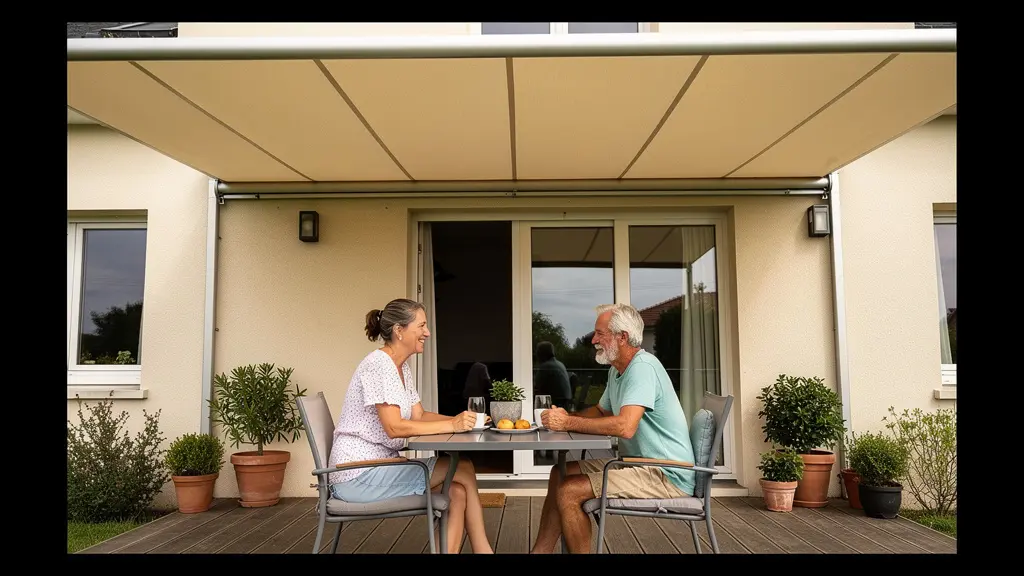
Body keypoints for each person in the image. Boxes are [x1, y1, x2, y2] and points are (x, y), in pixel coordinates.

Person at [328, 298, 493, 554]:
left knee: (457, 493)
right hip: (358, 475)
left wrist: (463, 418)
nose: (427, 332)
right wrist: (452, 424)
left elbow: (419, 415)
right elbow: (394, 428)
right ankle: (484, 551)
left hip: (381, 467)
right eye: (421, 326)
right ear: (399, 330)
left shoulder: (400, 367)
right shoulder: (378, 365)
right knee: (462, 467)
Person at [532, 303, 697, 554]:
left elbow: (625, 427)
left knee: (569, 491)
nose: (593, 339)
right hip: (638, 463)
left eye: (600, 333)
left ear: (622, 337)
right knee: (560, 473)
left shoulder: (642, 368)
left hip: (666, 473)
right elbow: (601, 412)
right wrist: (568, 415)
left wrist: (567, 423)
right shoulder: (618, 369)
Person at [533, 341, 573, 408]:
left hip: (556, 403)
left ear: (542, 353)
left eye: (537, 352)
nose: (536, 354)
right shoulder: (559, 364)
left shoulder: (546, 366)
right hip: (565, 402)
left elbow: (537, 387)